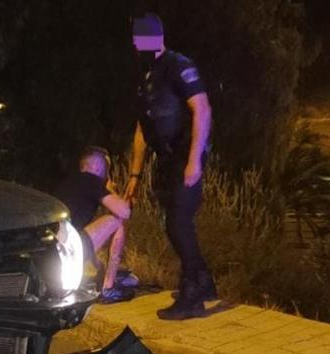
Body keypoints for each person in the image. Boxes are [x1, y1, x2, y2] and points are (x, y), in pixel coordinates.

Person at [125, 13, 216, 321]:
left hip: (183, 156)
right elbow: (142, 128)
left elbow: (201, 108)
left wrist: (194, 160)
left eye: (141, 42)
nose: (138, 49)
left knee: (178, 222)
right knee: (174, 223)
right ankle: (202, 281)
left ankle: (193, 295)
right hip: (164, 159)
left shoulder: (179, 65)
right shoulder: (147, 75)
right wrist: (134, 176)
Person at [53, 147, 135, 303]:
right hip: (68, 254)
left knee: (79, 231)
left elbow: (78, 233)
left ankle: (102, 274)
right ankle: (109, 289)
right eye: (106, 170)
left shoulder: (68, 183)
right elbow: (124, 211)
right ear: (98, 167)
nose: (107, 176)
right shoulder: (91, 180)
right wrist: (111, 190)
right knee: (117, 220)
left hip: (54, 257)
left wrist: (98, 266)